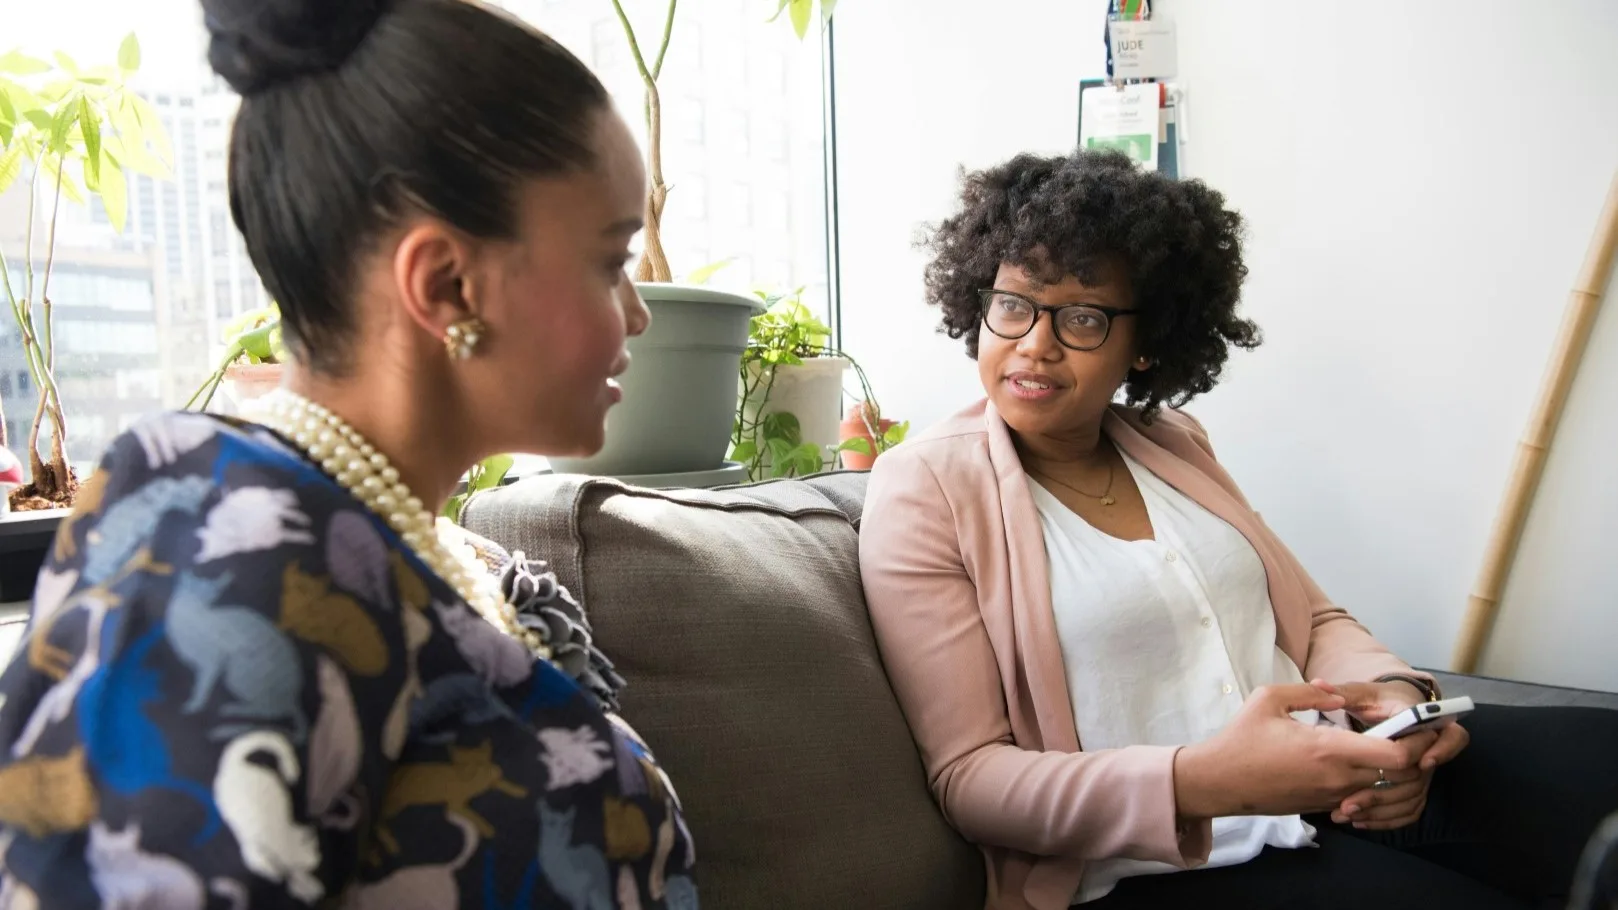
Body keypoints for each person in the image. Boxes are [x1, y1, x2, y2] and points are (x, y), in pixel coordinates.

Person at [0, 0, 699, 906]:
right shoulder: (218, 546)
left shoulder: (435, 558)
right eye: (612, 262)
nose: (637, 313)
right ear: (446, 284)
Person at [858, 148, 1618, 910]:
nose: (1034, 342)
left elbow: (1314, 620)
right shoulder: (926, 489)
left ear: (1146, 342)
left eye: (1083, 317)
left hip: (1336, 776)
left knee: (1601, 758)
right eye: (1014, 304)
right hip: (1174, 860)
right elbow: (971, 779)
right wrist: (1207, 778)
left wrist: (1393, 700)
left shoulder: (1173, 442)